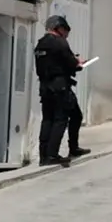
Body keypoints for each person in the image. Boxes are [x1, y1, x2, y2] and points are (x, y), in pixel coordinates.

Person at [34, 15, 85, 167]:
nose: (67, 35)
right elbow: (71, 64)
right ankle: (52, 155)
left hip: (45, 86)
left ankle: (44, 156)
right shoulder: (60, 43)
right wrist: (78, 63)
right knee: (61, 119)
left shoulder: (40, 44)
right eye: (66, 31)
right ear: (60, 28)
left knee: (48, 119)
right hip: (60, 87)